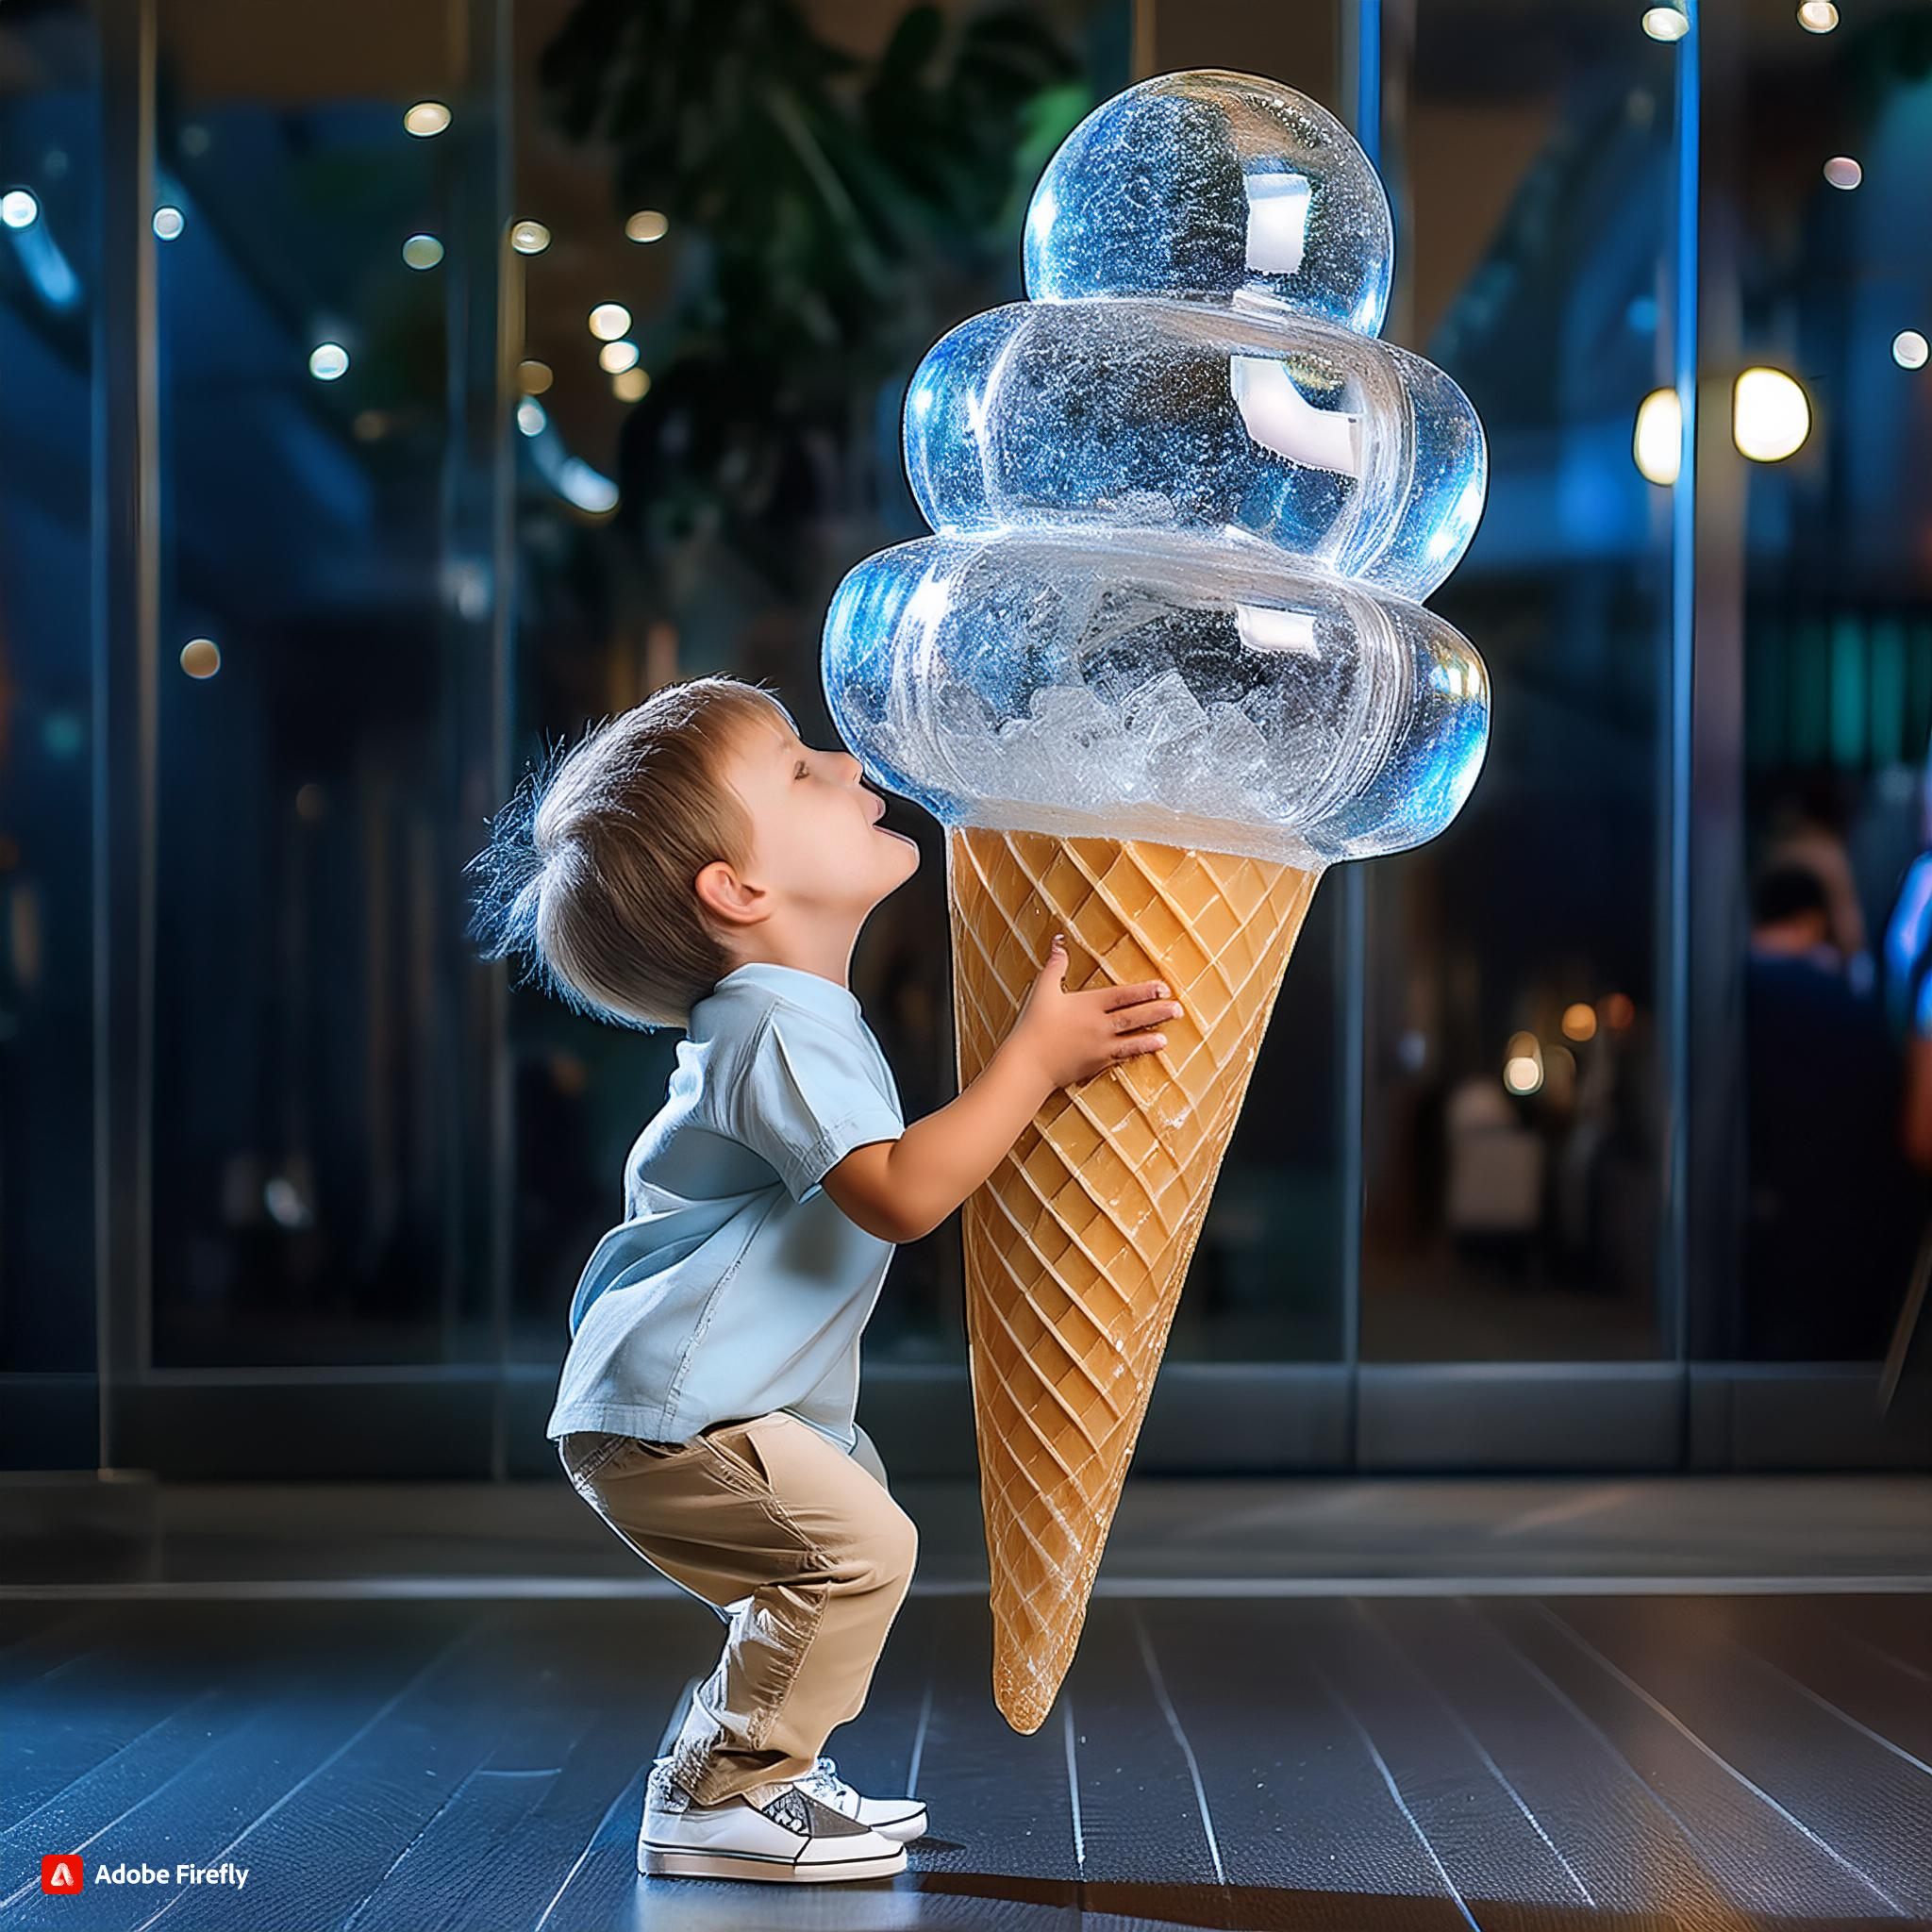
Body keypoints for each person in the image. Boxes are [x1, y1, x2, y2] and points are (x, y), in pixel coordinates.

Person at [466, 674, 1180, 1885]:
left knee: (836, 1542)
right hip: (677, 1411)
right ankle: (724, 1792)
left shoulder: (791, 1013)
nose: (847, 767)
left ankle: (758, 1775)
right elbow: (898, 1193)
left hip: (697, 1406)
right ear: (737, 890)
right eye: (800, 768)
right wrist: (1037, 1059)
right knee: (859, 1551)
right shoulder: (771, 1021)